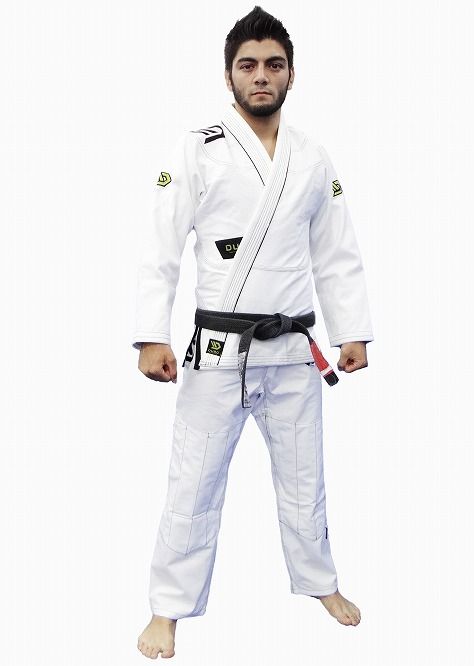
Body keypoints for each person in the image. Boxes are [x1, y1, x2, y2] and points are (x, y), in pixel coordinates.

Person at [135, 5, 374, 659]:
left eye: (273, 64)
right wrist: (151, 334)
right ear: (229, 75)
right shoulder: (197, 147)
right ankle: (166, 608)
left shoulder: (312, 155)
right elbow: (160, 244)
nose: (261, 75)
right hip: (218, 349)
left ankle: (320, 583)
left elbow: (336, 249)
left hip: (294, 347)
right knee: (193, 480)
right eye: (248, 65)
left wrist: (351, 330)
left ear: (292, 73)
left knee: (305, 477)